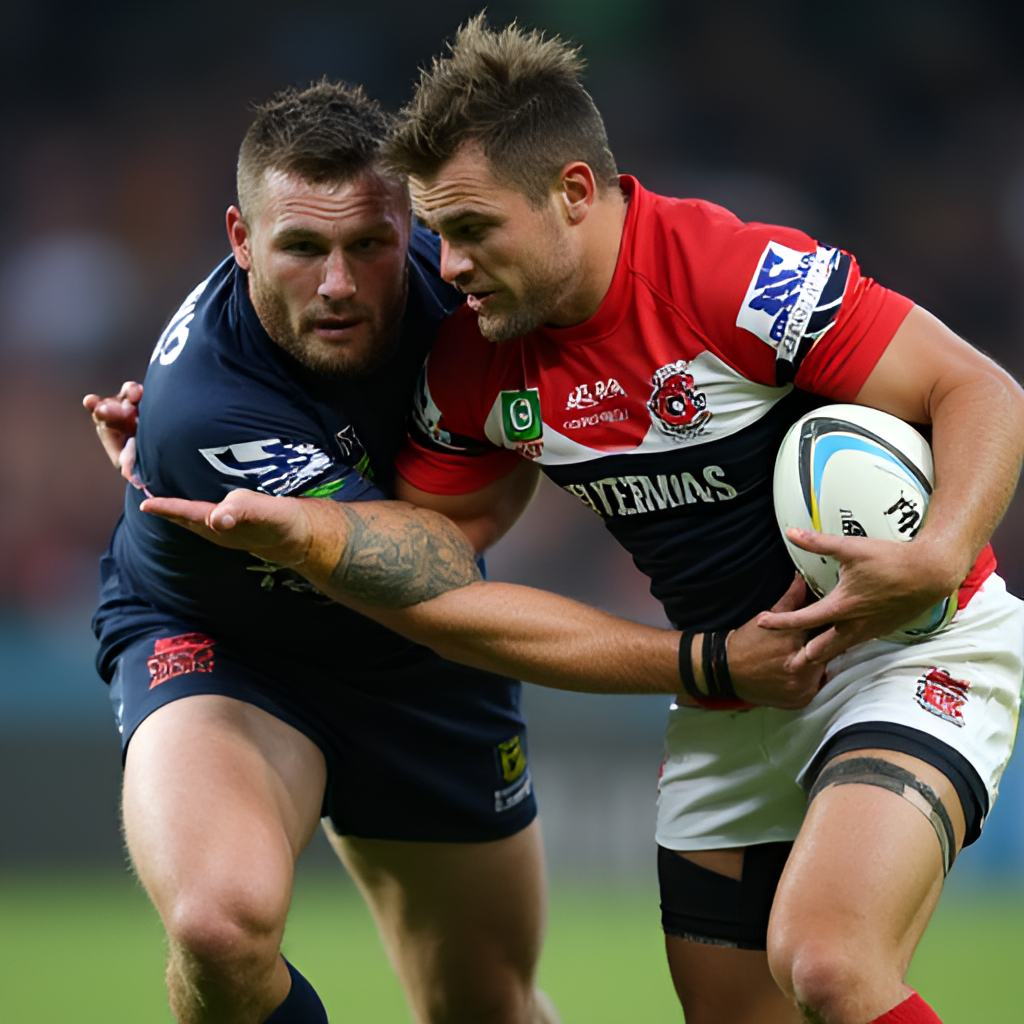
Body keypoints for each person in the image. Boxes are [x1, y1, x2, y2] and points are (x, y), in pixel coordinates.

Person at [141, 19, 1024, 1024]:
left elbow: (978, 388)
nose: (451, 266)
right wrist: (298, 519)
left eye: (474, 230)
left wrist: (939, 552)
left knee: (825, 961)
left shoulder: (728, 273)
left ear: (570, 193)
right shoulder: (475, 361)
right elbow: (433, 561)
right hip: (732, 696)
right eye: (436, 232)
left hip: (908, 644)